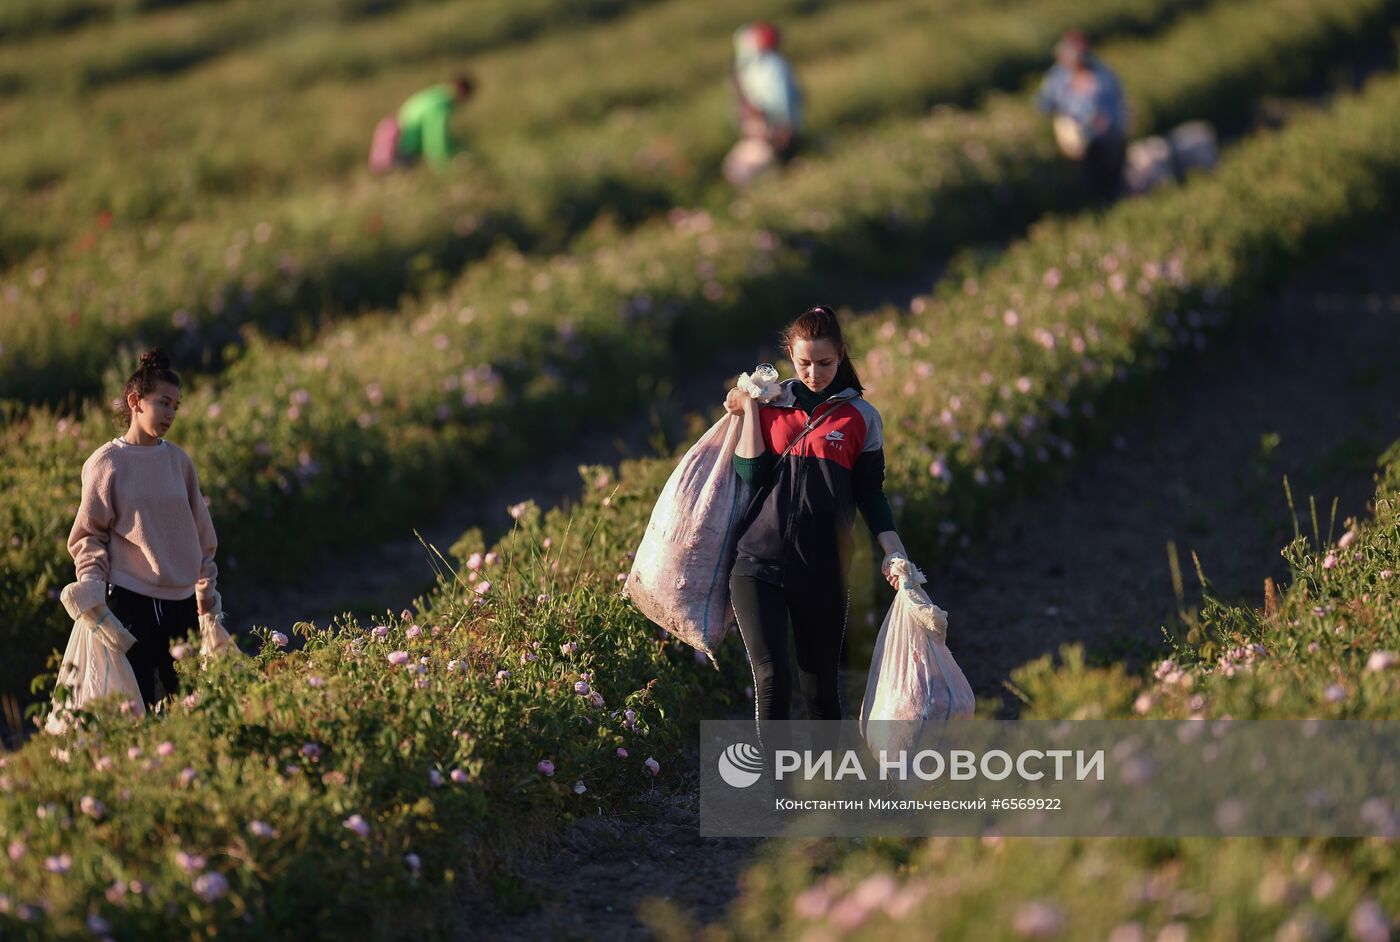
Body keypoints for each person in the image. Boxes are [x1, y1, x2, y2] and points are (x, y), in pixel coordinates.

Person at [723, 306, 908, 759]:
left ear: (841, 356)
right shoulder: (770, 405)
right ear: (790, 354)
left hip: (823, 570)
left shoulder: (861, 418)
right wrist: (748, 408)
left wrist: (893, 551)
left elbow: (871, 493)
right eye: (804, 363)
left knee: (821, 690)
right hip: (756, 564)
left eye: (824, 363)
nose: (814, 372)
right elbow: (751, 472)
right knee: (770, 677)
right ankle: (777, 792)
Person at [66, 349, 221, 708]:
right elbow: (89, 534)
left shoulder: (178, 461)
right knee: (136, 700)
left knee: (191, 698)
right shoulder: (107, 462)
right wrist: (90, 584)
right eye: (163, 403)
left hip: (180, 599)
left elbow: (201, 532)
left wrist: (206, 589)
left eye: (176, 407)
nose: (170, 414)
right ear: (135, 401)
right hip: (131, 599)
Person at [1036, 31, 1128, 200]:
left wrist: (1100, 121)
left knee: (1109, 187)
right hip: (1077, 148)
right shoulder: (1058, 76)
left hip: (1105, 143)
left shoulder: (1102, 77)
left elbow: (1115, 113)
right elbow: (1043, 104)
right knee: (1085, 187)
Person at [724, 21, 802, 185]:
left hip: (772, 128)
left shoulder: (768, 66)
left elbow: (782, 99)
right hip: (768, 127)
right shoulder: (758, 66)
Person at [370, 74, 475, 173]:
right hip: (403, 144)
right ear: (463, 92)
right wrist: (444, 166)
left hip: (400, 138)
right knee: (400, 177)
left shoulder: (438, 94)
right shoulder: (440, 106)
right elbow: (435, 138)